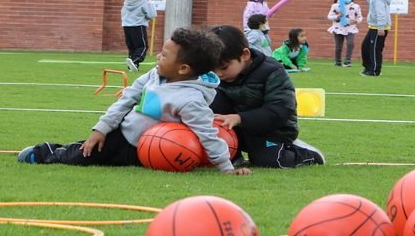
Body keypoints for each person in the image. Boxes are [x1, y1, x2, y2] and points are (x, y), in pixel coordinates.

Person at [18, 26, 252, 176]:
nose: (158, 57)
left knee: (104, 163)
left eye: (164, 55)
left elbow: (206, 133)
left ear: (183, 68)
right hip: (122, 135)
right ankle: (45, 152)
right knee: (83, 155)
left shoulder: (191, 100)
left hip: (149, 150)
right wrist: (101, 129)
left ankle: (56, 151)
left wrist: (226, 167)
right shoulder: (154, 75)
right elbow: (126, 99)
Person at [209, 25, 324, 168]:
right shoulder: (215, 77)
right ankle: (234, 155)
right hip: (236, 129)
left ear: (245, 55)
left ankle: (307, 153)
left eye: (224, 67)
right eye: (212, 68)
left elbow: (280, 111)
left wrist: (240, 118)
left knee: (269, 161)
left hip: (273, 131)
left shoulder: (272, 71)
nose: (218, 74)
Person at [359, 0, 394, 76]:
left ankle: (374, 71)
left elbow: (381, 13)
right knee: (365, 46)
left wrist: (380, 27)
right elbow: (372, 2)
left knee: (375, 49)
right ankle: (368, 67)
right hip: (374, 27)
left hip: (378, 28)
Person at [121, 0, 157, 72]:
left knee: (132, 47)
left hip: (126, 27)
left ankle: (133, 66)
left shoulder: (126, 2)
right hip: (139, 27)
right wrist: (147, 15)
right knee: (142, 47)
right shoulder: (144, 2)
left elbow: (123, 14)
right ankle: (134, 61)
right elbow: (152, 15)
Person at [327, 0, 363, 67]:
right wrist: (337, 16)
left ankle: (347, 60)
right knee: (338, 46)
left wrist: (356, 21)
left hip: (350, 28)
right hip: (338, 28)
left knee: (350, 43)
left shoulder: (356, 6)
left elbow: (360, 17)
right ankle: (338, 61)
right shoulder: (335, 6)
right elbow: (329, 16)